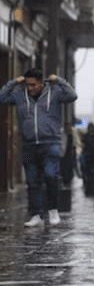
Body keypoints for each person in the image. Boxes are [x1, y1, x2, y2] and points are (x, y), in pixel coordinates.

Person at [0, 69, 78, 227]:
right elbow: (2, 98)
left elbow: (72, 95)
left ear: (41, 83)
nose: (30, 88)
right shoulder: (19, 94)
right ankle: (37, 214)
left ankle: (53, 210)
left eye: (33, 85)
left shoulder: (54, 92)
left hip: (51, 143)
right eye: (27, 85)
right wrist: (14, 82)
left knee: (51, 176)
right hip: (29, 145)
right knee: (33, 182)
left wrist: (59, 79)